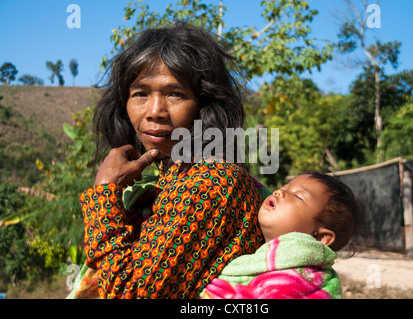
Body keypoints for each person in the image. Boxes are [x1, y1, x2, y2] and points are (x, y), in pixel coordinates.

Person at [73, 22, 267, 299]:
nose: (155, 112)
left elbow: (131, 294)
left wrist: (105, 192)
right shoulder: (173, 178)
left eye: (175, 94)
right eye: (140, 94)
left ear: (205, 104)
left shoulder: (211, 182)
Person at [201, 172, 364, 299]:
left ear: (320, 238)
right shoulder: (265, 251)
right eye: (285, 187)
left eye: (299, 196)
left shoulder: (303, 278)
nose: (279, 192)